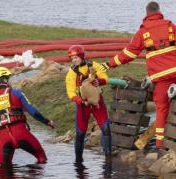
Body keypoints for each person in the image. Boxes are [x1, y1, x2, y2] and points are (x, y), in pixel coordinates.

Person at [101, 1, 176, 149]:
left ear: (146, 13)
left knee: (161, 107)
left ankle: (160, 145)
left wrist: (109, 64)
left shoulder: (144, 32)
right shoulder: (171, 27)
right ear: (159, 11)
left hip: (161, 77)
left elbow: (129, 54)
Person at [0, 67, 54, 167]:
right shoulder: (17, 93)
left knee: (4, 172)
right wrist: (47, 122)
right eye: (8, 78)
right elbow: (33, 112)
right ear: (5, 79)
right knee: (41, 157)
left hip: (4, 140)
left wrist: (1, 135)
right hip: (21, 134)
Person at [65, 45, 111, 164]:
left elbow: (105, 77)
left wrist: (98, 81)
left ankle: (108, 159)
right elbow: (70, 91)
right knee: (80, 134)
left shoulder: (94, 65)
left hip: (97, 103)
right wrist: (79, 101)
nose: (74, 60)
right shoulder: (71, 73)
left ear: (81, 56)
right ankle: (78, 162)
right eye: (72, 58)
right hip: (82, 105)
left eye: (75, 57)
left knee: (106, 128)